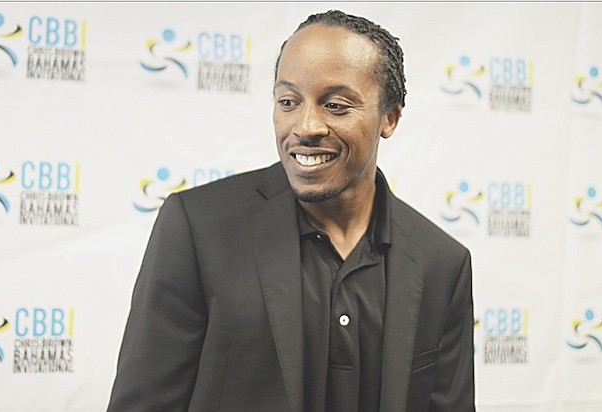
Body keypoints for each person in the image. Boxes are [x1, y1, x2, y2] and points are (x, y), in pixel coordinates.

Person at [108, 10, 474, 412]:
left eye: (334, 105)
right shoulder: (198, 228)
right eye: (288, 101)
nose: (305, 126)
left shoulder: (442, 262)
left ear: (389, 117)